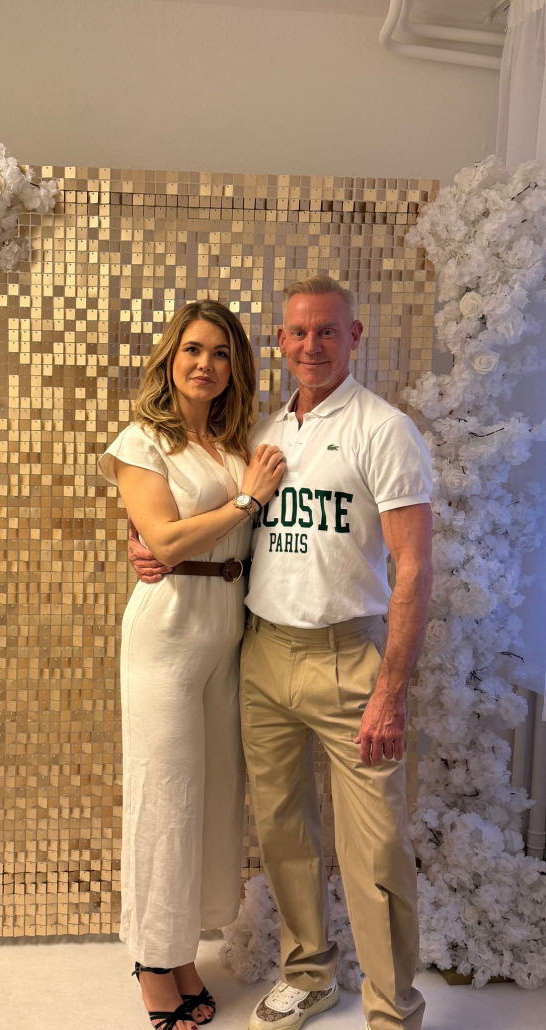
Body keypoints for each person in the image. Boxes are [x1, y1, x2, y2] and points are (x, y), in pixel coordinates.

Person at [128, 276, 434, 1030]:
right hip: (260, 655)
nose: (311, 345)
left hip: (347, 657)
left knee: (376, 848)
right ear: (279, 342)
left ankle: (393, 1009)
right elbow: (207, 518)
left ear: (353, 336)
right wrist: (147, 545)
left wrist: (392, 690)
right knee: (283, 832)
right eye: (297, 332)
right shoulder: (262, 434)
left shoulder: (384, 429)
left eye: (327, 331)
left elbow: (414, 567)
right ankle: (308, 974)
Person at [98, 299, 287, 1030]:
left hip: (226, 634)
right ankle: (151, 964)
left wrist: (242, 497)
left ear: (235, 367)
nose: (205, 363)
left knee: (209, 798)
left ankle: (180, 953)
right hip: (169, 630)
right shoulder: (143, 441)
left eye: (220, 352)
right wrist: (246, 500)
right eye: (193, 349)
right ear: (170, 359)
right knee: (164, 797)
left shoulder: (235, 442)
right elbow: (167, 542)